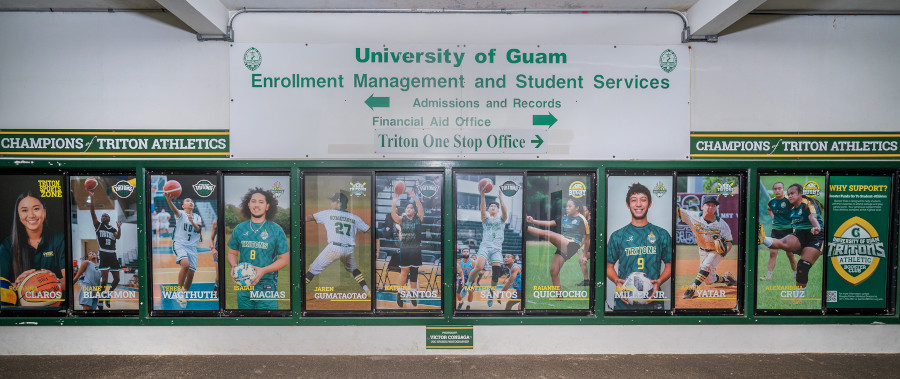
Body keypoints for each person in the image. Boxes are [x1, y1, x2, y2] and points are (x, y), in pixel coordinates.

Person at [606, 183, 672, 310]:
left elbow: (670, 266)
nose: (638, 204)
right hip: (624, 302)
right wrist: (616, 281)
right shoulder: (618, 235)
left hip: (654, 301)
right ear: (628, 205)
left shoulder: (661, 234)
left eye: (643, 200)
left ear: (650, 204)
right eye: (633, 200)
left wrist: (659, 282)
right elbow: (608, 266)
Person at [758, 183, 825, 303]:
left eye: (792, 193)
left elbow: (812, 217)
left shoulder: (808, 203)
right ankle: (763, 238)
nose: (790, 196)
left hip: (815, 235)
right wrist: (774, 216)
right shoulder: (790, 206)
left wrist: (817, 227)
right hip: (799, 234)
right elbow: (773, 207)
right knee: (782, 243)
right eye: (788, 194)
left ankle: (798, 298)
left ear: (800, 193)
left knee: (802, 267)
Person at [227, 188, 289, 309]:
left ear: (267, 206)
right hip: (244, 285)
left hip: (267, 286)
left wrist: (263, 270)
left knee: (267, 324)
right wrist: (234, 266)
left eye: (261, 202)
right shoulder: (240, 228)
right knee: (245, 323)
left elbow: (284, 259)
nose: (256, 205)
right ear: (248, 205)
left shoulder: (276, 230)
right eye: (253, 201)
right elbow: (232, 253)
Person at [0, 192, 67, 304]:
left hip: (55, 308)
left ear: (44, 211)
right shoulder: (7, 245)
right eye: (24, 210)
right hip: (19, 312)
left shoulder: (59, 240)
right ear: (18, 214)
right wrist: (20, 285)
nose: (31, 215)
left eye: (36, 209)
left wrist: (53, 282)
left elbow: (68, 280)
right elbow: (2, 286)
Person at [304, 192, 370, 295]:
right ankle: (367, 290)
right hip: (349, 250)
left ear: (339, 203)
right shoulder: (355, 217)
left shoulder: (328, 213)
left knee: (312, 269)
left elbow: (308, 218)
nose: (331, 203)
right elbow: (368, 230)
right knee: (354, 269)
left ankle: (297, 293)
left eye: (333, 201)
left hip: (334, 249)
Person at [678, 195, 737, 299]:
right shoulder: (693, 216)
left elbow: (729, 242)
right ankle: (728, 279)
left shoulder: (722, 225)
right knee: (709, 280)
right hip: (702, 250)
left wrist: (725, 251)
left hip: (716, 251)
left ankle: (691, 289)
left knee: (705, 266)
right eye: (708, 205)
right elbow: (678, 211)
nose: (711, 207)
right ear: (702, 206)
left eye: (714, 205)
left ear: (716, 208)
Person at [525, 197, 590, 290]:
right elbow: (549, 223)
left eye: (569, 206)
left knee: (548, 234)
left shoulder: (582, 220)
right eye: (566, 206)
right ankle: (558, 295)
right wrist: (532, 221)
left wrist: (584, 255)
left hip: (572, 245)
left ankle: (525, 227)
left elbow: (587, 239)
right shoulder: (564, 218)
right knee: (554, 272)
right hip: (562, 245)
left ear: (577, 208)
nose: (567, 208)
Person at [458, 185, 507, 308]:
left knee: (495, 273)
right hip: (485, 246)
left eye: (495, 206)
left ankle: (491, 293)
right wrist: (482, 195)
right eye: (491, 206)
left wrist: (501, 199)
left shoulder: (502, 220)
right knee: (479, 266)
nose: (493, 207)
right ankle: (467, 285)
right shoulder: (485, 219)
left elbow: (505, 211)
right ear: (489, 209)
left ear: (498, 209)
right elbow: (482, 210)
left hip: (496, 249)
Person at [164, 192, 203, 309]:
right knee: (185, 265)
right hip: (180, 244)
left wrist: (192, 221)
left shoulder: (197, 217)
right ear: (183, 206)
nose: (190, 202)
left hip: (192, 247)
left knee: (191, 275)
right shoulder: (180, 214)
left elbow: (198, 230)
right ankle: (179, 291)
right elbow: (173, 209)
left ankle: (184, 293)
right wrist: (169, 200)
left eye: (191, 201)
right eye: (187, 200)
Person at [391, 187, 424, 308]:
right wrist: (394, 202)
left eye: (411, 207)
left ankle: (413, 294)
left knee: (414, 272)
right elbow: (393, 215)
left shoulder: (418, 218)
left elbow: (420, 207)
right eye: (407, 207)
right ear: (405, 210)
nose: (409, 209)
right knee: (404, 272)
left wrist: (414, 197)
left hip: (416, 248)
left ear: (414, 211)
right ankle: (399, 294)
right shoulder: (402, 219)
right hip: (405, 248)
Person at [89, 190, 122, 309]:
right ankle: (100, 299)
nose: (103, 217)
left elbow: (118, 237)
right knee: (104, 281)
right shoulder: (98, 226)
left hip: (112, 254)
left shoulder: (112, 228)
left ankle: (108, 294)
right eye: (102, 216)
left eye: (106, 216)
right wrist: (92, 197)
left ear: (109, 219)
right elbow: (92, 213)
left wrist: (119, 228)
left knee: (117, 279)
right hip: (103, 253)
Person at [761, 182, 798, 280]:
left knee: (790, 254)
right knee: (772, 253)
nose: (777, 191)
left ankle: (796, 274)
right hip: (776, 230)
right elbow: (769, 209)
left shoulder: (789, 201)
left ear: (783, 189)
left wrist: (794, 219)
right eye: (775, 189)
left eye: (779, 188)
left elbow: (798, 209)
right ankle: (768, 276)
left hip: (788, 230)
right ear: (773, 190)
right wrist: (773, 216)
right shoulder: (771, 202)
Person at [576, 205, 593, 286]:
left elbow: (588, 240)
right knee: (581, 260)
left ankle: (587, 281)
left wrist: (585, 254)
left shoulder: (590, 223)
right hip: (592, 248)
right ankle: (587, 281)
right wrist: (578, 246)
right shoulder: (586, 223)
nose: (583, 212)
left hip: (596, 249)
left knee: (582, 259)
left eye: (585, 211)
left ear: (589, 212)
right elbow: (584, 238)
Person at [455, 246, 475, 310]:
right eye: (464, 252)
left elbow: (476, 273)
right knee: (458, 293)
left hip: (471, 279)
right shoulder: (460, 262)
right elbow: (459, 273)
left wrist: (475, 282)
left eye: (467, 252)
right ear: (462, 253)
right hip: (463, 279)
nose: (466, 253)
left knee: (470, 291)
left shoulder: (472, 262)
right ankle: (461, 302)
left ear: (469, 253)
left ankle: (468, 305)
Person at [210, 219, 219, 293]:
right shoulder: (215, 223)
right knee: (218, 275)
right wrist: (213, 249)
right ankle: (217, 286)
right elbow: (211, 238)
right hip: (217, 251)